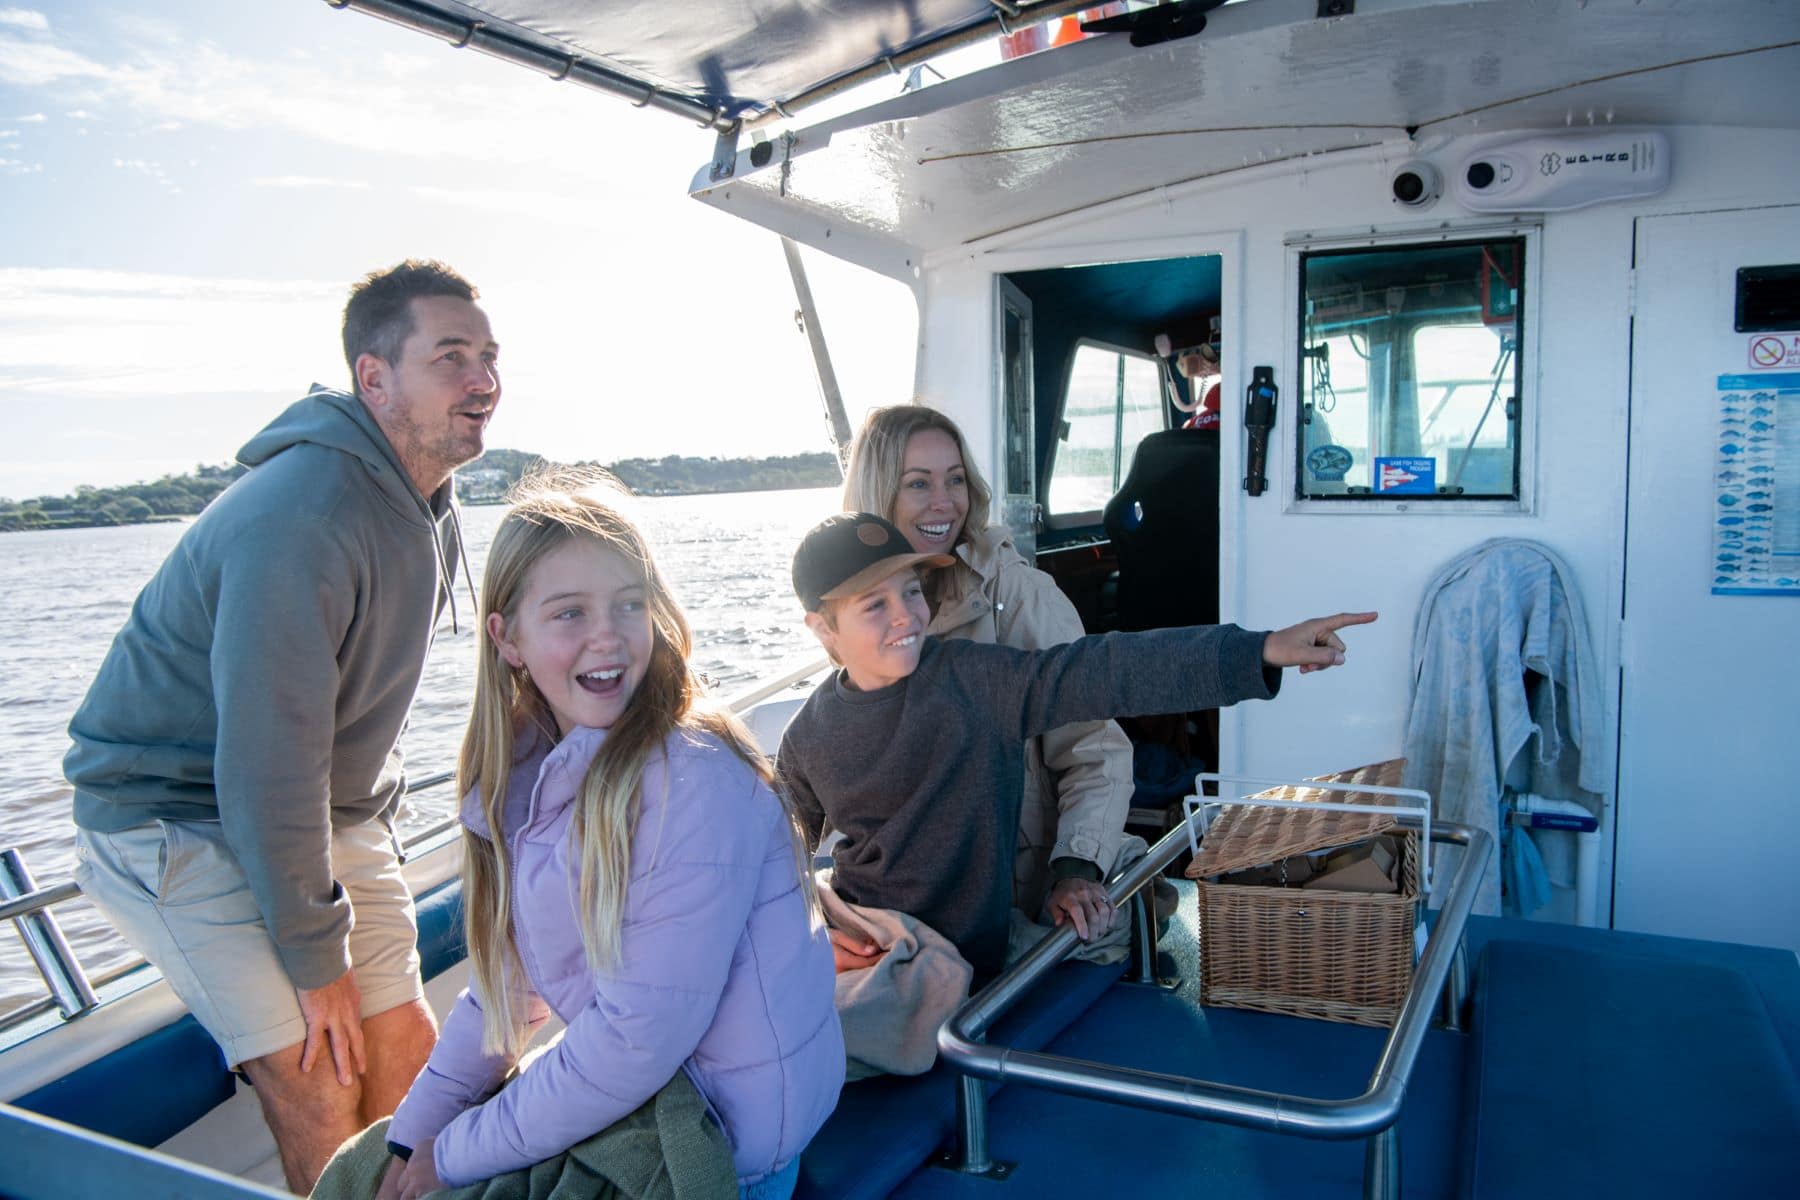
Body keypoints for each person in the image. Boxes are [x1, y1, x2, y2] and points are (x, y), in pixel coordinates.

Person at [65, 259, 498, 1191]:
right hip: (173, 814)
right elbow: (265, 765)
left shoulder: (422, 497)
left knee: (407, 1056)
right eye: (452, 357)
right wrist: (316, 961)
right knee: (318, 1075)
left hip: (321, 810)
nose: (484, 381)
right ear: (373, 379)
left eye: (489, 357)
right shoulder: (306, 512)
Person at [379, 477, 842, 1200]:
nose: (609, 635)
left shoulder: (691, 784)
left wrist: (450, 1155)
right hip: (659, 1093)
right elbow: (508, 988)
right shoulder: (530, 779)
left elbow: (635, 1041)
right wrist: (411, 1137)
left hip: (730, 1149)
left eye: (629, 603)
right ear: (507, 639)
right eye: (569, 612)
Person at [779, 511, 1374, 982]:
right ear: (823, 629)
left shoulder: (975, 680)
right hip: (874, 943)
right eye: (874, 605)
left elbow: (1106, 670)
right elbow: (772, 863)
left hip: (972, 953)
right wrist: (815, 936)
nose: (906, 616)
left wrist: (1258, 650)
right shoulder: (805, 737)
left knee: (1123, 920)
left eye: (911, 591)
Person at [841, 405, 1141, 951]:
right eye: (918, 483)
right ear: (877, 492)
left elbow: (1094, 747)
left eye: (955, 479)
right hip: (915, 901)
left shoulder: (1017, 596)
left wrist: (1075, 869)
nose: (944, 502)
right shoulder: (856, 612)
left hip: (1022, 893)